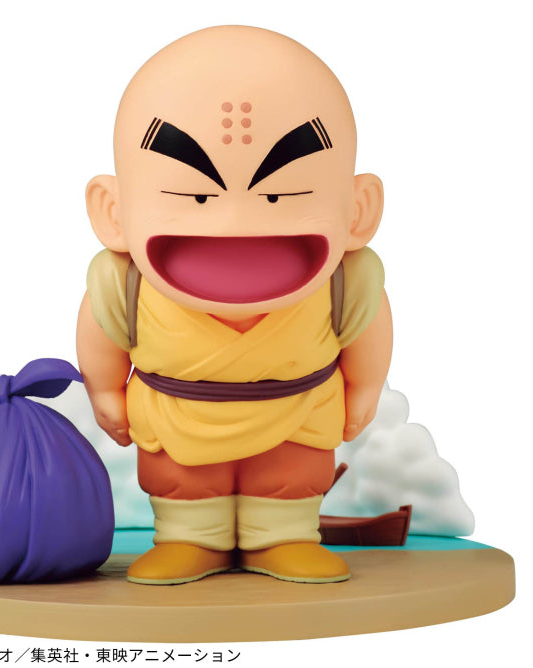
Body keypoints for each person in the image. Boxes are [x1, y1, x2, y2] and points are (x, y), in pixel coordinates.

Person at [77, 25, 392, 585]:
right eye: (196, 195)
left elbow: (364, 330)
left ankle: (285, 536)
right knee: (182, 478)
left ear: (357, 209)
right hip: (175, 414)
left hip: (299, 411)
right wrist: (104, 390)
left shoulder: (347, 280)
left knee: (290, 471)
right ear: (114, 212)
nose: (236, 222)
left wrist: (365, 387)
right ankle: (189, 537)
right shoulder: (121, 282)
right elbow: (104, 334)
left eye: (280, 195)